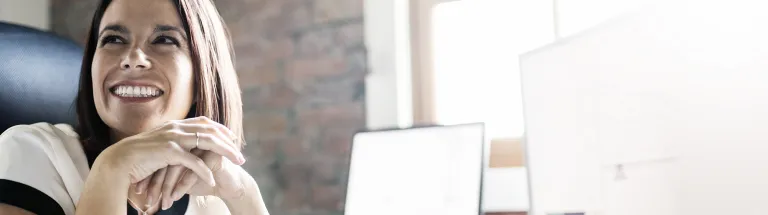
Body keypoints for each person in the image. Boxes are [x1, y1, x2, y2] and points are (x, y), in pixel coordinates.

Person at [0, 0, 270, 214]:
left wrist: (244, 193)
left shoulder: (213, 197)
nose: (133, 59)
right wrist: (111, 170)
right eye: (114, 39)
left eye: (164, 40)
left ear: (202, 78)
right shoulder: (30, 152)